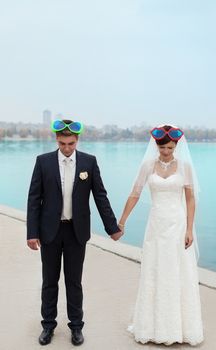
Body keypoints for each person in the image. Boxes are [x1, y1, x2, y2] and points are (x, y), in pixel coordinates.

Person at [27, 119, 122, 346]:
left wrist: (112, 228)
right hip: (49, 231)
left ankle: (76, 327)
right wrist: (32, 232)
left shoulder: (89, 162)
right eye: (62, 144)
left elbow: (100, 196)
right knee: (49, 281)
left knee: (74, 282)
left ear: (77, 140)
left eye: (70, 143)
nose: (67, 148)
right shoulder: (43, 162)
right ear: (56, 140)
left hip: (76, 232)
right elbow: (33, 199)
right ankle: (48, 326)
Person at [118, 125, 204, 346]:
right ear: (156, 146)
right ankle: (151, 326)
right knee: (154, 270)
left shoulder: (184, 166)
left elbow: (191, 199)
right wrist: (122, 221)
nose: (166, 151)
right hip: (155, 226)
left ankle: (180, 328)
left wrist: (189, 228)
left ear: (176, 146)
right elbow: (135, 194)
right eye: (163, 147)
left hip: (177, 225)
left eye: (170, 147)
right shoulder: (148, 165)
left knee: (177, 272)